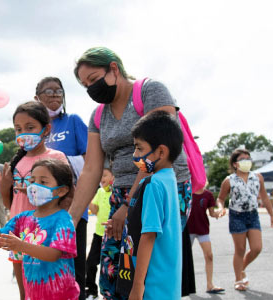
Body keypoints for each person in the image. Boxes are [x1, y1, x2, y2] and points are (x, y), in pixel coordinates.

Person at [67, 46, 196, 300]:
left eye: (93, 79)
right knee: (113, 277)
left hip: (159, 189)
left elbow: (157, 155)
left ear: (113, 69)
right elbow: (92, 169)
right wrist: (70, 220)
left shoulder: (151, 91)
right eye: (85, 85)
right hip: (122, 193)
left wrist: (130, 204)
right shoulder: (98, 115)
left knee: (148, 271)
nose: (91, 88)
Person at [0, 158, 79, 300]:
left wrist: (21, 245)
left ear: (61, 190)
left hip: (61, 294)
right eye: (32, 181)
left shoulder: (63, 220)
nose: (35, 186)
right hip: (33, 294)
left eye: (43, 182)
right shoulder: (22, 218)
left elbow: (53, 254)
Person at [0, 101, 69, 299]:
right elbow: (10, 204)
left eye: (30, 128)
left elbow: (67, 196)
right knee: (25, 294)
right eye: (18, 129)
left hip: (44, 234)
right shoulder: (17, 162)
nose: (23, 134)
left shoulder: (56, 157)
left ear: (45, 129)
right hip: (19, 234)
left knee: (46, 290)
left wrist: (37, 192)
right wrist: (5, 188)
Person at [114, 110, 184, 299]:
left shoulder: (153, 184)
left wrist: (137, 287)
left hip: (151, 285)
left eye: (139, 148)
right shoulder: (169, 179)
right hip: (165, 283)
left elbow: (149, 235)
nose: (135, 155)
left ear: (161, 151)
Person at [34, 76, 89, 299]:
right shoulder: (34, 126)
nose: (55, 95)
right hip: (42, 209)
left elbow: (91, 161)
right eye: (49, 91)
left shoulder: (73, 121)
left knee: (74, 268)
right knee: (47, 268)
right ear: (37, 97)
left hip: (72, 206)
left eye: (59, 91)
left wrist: (60, 160)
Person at [217, 149, 273, 292]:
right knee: (240, 249)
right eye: (243, 159)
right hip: (237, 216)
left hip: (253, 215)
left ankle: (242, 268)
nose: (247, 161)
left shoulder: (258, 177)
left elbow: (264, 197)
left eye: (248, 158)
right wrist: (220, 208)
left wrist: (271, 214)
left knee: (257, 248)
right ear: (236, 164)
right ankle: (238, 279)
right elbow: (221, 198)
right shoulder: (228, 180)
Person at [187, 188, 224, 294]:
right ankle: (182, 285)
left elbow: (212, 213)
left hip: (202, 229)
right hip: (188, 230)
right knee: (184, 258)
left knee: (209, 256)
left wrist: (218, 213)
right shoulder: (187, 191)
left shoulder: (208, 194)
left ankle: (210, 285)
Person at [85, 167, 113, 300]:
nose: (102, 179)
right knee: (90, 263)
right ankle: (91, 290)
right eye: (100, 177)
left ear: (113, 177)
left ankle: (109, 292)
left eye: (105, 176)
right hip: (98, 234)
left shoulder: (116, 192)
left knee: (108, 266)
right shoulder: (100, 192)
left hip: (111, 234)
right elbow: (94, 209)